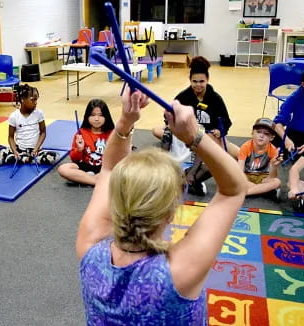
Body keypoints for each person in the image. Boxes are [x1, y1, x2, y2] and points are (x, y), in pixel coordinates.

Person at [76, 88, 247, 324]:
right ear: (170, 212)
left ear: (113, 201)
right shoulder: (178, 271)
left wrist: (126, 120)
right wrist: (195, 136)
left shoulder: (89, 246)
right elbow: (235, 189)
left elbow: (108, 168)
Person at [152, 56, 239, 195]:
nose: (198, 85)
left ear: (208, 80)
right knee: (156, 130)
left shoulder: (215, 98)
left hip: (209, 135)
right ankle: (167, 170)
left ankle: (192, 172)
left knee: (238, 155)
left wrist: (219, 131)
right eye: (195, 81)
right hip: (186, 134)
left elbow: (226, 120)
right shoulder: (183, 96)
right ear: (190, 80)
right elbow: (168, 116)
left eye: (202, 81)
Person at [0, 84, 59, 166]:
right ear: (22, 100)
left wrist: (36, 149)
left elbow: (43, 133)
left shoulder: (39, 113)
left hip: (36, 151)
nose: (36, 103)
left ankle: (21, 158)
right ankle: (22, 157)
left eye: (36, 100)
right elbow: (11, 137)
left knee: (54, 158)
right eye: (33, 100)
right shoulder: (14, 116)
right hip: (19, 150)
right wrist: (15, 151)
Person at [57, 99, 114, 186]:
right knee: (63, 169)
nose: (97, 119)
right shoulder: (81, 133)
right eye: (93, 115)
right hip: (84, 167)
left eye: (100, 115)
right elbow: (74, 159)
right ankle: (96, 181)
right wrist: (79, 149)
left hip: (104, 168)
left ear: (106, 116)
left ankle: (86, 179)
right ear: (87, 116)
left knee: (122, 170)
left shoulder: (112, 133)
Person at [238, 118, 282, 198]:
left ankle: (246, 192)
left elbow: (273, 176)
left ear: (271, 138)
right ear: (252, 133)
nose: (261, 136)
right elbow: (240, 171)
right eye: (258, 132)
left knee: (277, 182)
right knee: (236, 178)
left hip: (262, 177)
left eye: (266, 134)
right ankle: (262, 191)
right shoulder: (245, 147)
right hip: (246, 176)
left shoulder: (273, 150)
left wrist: (274, 166)